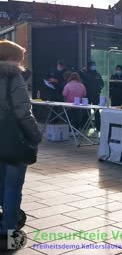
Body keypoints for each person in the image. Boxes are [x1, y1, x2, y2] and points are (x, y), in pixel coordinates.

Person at [0, 40, 42, 251]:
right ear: (10, 57)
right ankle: (8, 229)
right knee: (13, 186)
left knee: (0, 183)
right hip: (13, 138)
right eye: (19, 57)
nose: (21, 62)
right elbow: (22, 112)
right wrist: (35, 135)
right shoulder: (13, 77)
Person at [81, 61, 104, 131]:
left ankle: (98, 126)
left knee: (96, 111)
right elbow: (83, 83)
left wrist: (99, 88)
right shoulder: (85, 74)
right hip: (87, 95)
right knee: (86, 111)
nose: (94, 66)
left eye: (95, 65)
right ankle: (85, 126)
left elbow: (102, 83)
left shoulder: (97, 74)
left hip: (96, 95)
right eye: (92, 65)